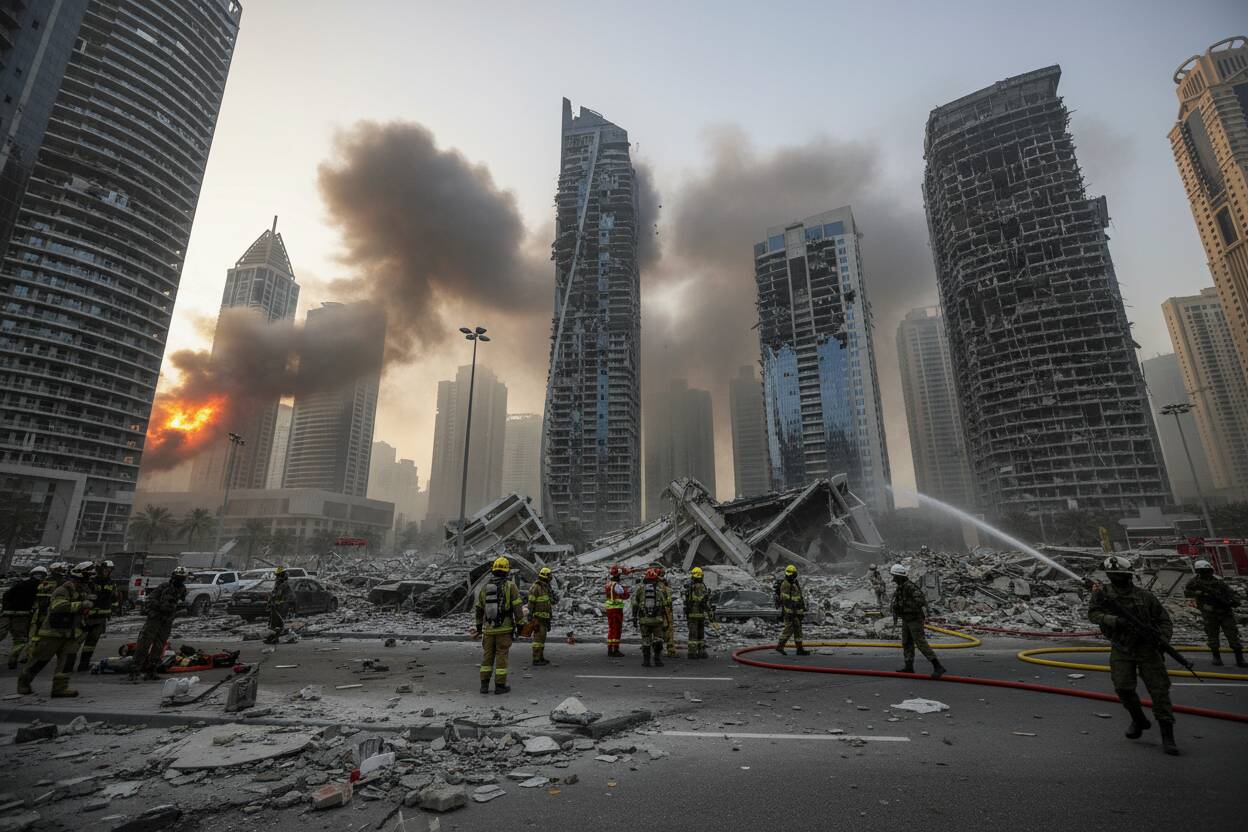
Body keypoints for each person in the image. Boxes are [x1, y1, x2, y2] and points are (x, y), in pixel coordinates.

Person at [1088, 555, 1178, 756]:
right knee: (1122, 687)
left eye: (1117, 575)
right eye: (1111, 575)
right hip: (1122, 648)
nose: (1114, 578)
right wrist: (1114, 620)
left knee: (1159, 692)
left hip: (1147, 650)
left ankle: (1167, 735)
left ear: (1127, 575)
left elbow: (1164, 621)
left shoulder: (1145, 597)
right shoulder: (1103, 595)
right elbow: (1093, 614)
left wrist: (1162, 640)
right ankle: (1138, 719)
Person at [18, 562, 93, 697]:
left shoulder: (82, 591)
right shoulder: (62, 590)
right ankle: (24, 683)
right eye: (88, 574)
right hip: (53, 633)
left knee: (66, 663)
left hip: (70, 634)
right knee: (40, 660)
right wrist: (81, 605)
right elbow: (58, 606)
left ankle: (59, 689)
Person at [473, 556, 525, 694]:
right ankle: (500, 686)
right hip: (504, 629)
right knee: (501, 657)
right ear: (507, 572)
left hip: (488, 630)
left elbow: (478, 609)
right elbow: (517, 607)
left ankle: (484, 686)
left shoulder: (485, 588)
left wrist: (479, 627)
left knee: (487, 657)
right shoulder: (510, 586)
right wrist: (521, 624)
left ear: (493, 570)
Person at [130, 566, 189, 681]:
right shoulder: (164, 587)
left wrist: (179, 609)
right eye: (178, 577)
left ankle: (152, 670)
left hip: (167, 620)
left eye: (182, 578)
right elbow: (150, 600)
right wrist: (161, 606)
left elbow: (180, 602)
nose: (180, 580)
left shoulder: (182, 589)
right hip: (155, 618)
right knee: (144, 643)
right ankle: (135, 670)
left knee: (159, 646)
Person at [1184, 559, 1245, 667]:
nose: (1206, 573)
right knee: (1212, 635)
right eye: (1203, 570)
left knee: (1232, 635)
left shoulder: (1218, 581)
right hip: (1209, 613)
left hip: (1225, 612)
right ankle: (1216, 658)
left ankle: (1240, 659)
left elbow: (1231, 593)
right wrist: (1199, 593)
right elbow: (1187, 592)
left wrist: (1234, 601)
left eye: (1207, 570)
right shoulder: (1195, 582)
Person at [890, 563, 946, 679]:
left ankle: (938, 667)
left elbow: (921, 600)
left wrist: (907, 607)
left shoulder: (910, 586)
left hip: (914, 619)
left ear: (900, 576)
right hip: (906, 619)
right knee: (907, 643)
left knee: (920, 643)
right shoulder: (901, 588)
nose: (893, 579)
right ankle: (909, 667)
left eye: (895, 576)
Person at [77, 560, 118, 671]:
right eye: (106, 569)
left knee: (91, 643)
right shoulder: (91, 581)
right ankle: (67, 664)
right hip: (87, 617)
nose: (108, 572)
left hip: (101, 618)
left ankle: (84, 664)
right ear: (100, 569)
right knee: (76, 642)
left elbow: (114, 598)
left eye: (110, 570)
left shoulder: (111, 582)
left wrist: (113, 609)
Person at [2, 566, 45, 670]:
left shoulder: (20, 584)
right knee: (19, 640)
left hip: (6, 614)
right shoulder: (41, 587)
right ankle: (13, 659)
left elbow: (6, 595)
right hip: (22, 616)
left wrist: (5, 608)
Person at [631, 568, 670, 668]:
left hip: (644, 620)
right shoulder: (659, 590)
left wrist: (634, 617)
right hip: (657, 620)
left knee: (646, 640)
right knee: (658, 640)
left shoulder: (640, 589)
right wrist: (666, 621)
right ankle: (657, 660)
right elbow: (665, 604)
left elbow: (635, 604)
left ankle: (646, 661)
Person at [775, 565, 810, 656]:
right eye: (788, 573)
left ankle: (799, 649)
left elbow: (799, 596)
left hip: (796, 611)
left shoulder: (794, 583)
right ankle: (780, 646)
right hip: (789, 612)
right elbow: (784, 597)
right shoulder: (785, 584)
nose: (789, 575)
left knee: (798, 630)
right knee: (789, 629)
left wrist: (802, 606)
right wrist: (792, 605)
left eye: (791, 573)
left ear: (795, 574)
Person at [528, 566, 557, 666]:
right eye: (549, 576)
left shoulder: (546, 587)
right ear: (545, 577)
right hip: (538, 618)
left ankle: (540, 657)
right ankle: (536, 659)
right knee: (538, 639)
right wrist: (530, 615)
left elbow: (553, 601)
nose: (551, 578)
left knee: (542, 638)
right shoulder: (536, 587)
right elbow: (531, 602)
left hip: (545, 617)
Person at [683, 567, 715, 659]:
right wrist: (710, 613)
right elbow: (705, 601)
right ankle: (699, 652)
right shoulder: (700, 586)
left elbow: (688, 600)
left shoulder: (690, 587)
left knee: (693, 634)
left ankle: (693, 652)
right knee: (700, 634)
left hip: (692, 614)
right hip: (700, 613)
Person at [264, 566, 295, 645]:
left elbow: (288, 596)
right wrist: (271, 601)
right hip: (276, 606)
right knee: (274, 623)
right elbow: (274, 593)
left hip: (282, 606)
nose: (277, 577)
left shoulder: (285, 584)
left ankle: (276, 638)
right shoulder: (278, 583)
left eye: (279, 575)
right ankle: (273, 638)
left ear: (282, 574)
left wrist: (282, 602)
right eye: (277, 575)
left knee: (279, 623)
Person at [604, 566, 629, 657]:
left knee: (611, 629)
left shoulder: (608, 584)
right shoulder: (617, 586)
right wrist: (626, 590)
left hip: (609, 609)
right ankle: (616, 650)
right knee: (617, 629)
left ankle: (610, 649)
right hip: (616, 610)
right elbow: (625, 595)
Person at [655, 566, 678, 658]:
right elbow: (668, 600)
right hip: (666, 612)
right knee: (669, 631)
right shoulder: (664, 587)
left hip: (656, 613)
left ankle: (657, 650)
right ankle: (670, 650)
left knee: (657, 632)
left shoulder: (653, 586)